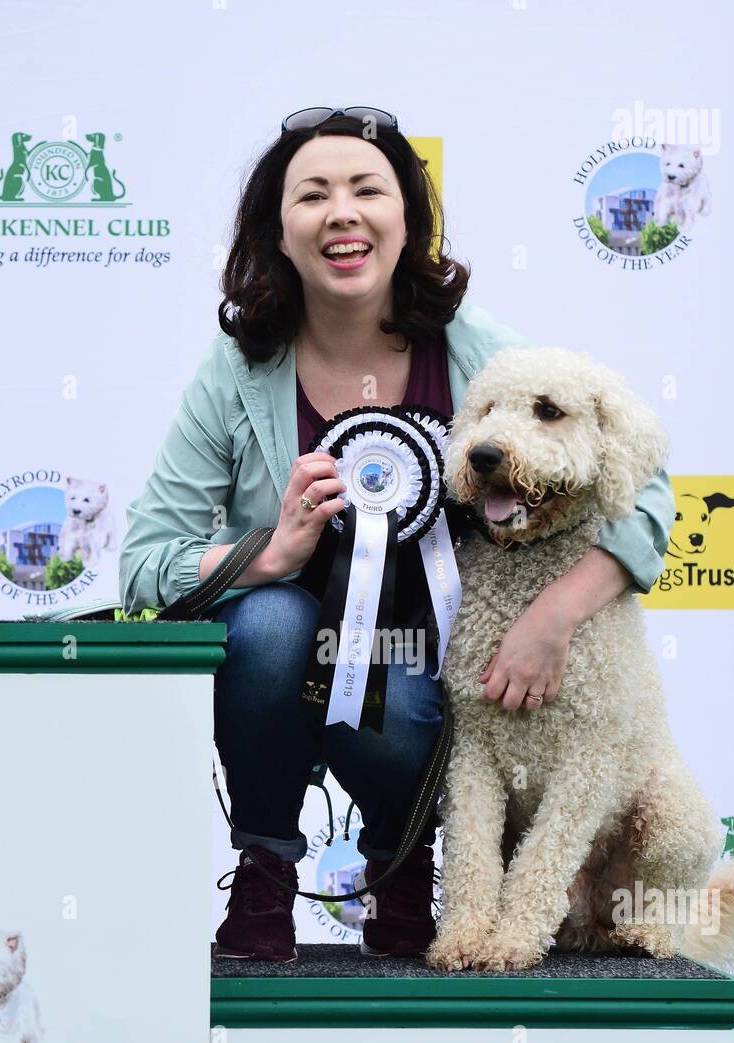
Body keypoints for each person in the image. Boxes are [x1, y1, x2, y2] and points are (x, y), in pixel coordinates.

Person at [118, 107, 675, 966]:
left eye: (366, 190)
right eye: (313, 195)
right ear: (280, 230)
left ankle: (403, 862)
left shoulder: (478, 354)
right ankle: (263, 865)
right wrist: (269, 555)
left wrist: (555, 614)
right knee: (267, 627)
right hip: (287, 655)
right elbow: (144, 563)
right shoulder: (233, 372)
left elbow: (646, 496)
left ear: (406, 218)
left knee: (407, 686)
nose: (341, 211)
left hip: (432, 665)